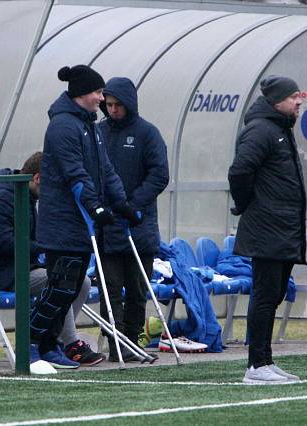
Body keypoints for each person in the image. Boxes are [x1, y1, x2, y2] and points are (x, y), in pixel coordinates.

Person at [31, 64, 138, 368]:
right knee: (60, 288)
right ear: (81, 94)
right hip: (63, 222)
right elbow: (74, 174)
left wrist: (122, 204)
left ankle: (50, 344)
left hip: (80, 224)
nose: (102, 98)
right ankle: (35, 342)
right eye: (97, 92)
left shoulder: (88, 126)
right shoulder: (63, 126)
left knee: (71, 288)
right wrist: (95, 206)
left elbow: (105, 169)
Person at [0, 152, 105, 366]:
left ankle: (54, 339)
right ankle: (64, 342)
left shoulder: (27, 196)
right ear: (37, 178)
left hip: (25, 266)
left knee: (81, 281)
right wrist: (45, 248)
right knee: (61, 281)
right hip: (3, 272)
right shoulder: (1, 198)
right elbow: (5, 243)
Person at [228, 75, 306, 384]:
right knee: (264, 295)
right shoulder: (261, 130)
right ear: (277, 101)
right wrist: (247, 203)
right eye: (294, 96)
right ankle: (255, 365)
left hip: (283, 229)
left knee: (273, 295)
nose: (299, 101)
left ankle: (266, 360)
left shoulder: (280, 129)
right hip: (267, 228)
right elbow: (239, 172)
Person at [97, 77, 169, 362]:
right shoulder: (98, 132)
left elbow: (159, 175)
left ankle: (133, 339)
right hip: (107, 226)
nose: (113, 110)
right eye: (109, 105)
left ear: (129, 104)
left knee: (138, 290)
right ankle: (116, 343)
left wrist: (133, 204)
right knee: (109, 289)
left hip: (139, 225)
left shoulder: (147, 134)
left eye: (118, 105)